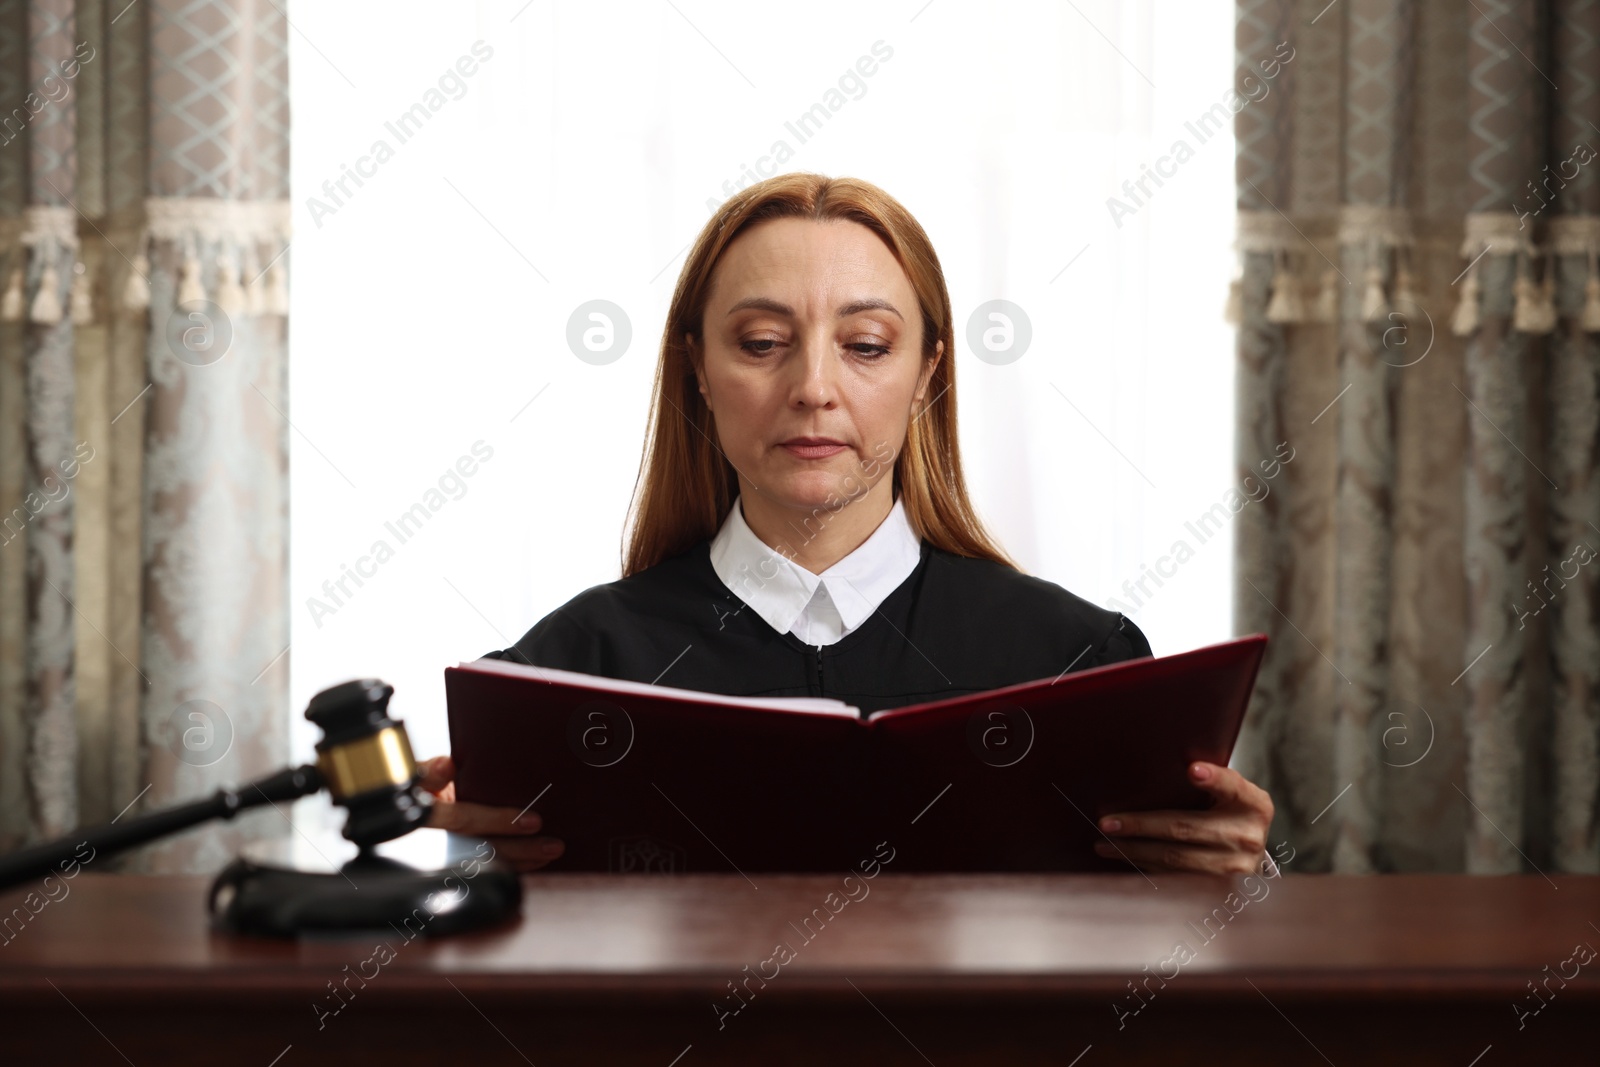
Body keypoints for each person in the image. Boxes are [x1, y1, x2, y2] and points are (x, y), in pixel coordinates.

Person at [419, 173, 1274, 877]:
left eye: (866, 344)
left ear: (927, 370)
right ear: (699, 371)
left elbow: (1174, 991)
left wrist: (1237, 884)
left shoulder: (1080, 663)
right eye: (760, 342)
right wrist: (449, 873)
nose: (814, 388)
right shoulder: (567, 676)